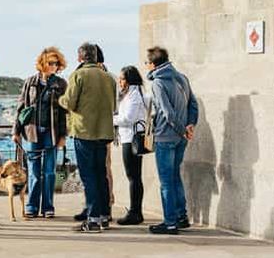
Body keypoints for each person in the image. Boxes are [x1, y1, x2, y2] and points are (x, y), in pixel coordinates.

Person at [59, 42, 117, 233]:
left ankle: (92, 219)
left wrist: (59, 99)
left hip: (84, 131)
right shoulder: (109, 78)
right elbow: (113, 105)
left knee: (89, 176)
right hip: (104, 132)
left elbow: (69, 102)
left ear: (80, 57)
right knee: (101, 174)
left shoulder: (78, 75)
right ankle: (103, 216)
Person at [145, 46, 198, 235]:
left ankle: (169, 222)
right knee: (175, 177)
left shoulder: (158, 83)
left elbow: (167, 112)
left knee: (166, 181)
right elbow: (193, 104)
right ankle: (181, 216)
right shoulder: (182, 78)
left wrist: (182, 129)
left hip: (166, 136)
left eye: (146, 63)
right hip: (181, 138)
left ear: (153, 64)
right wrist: (190, 125)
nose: (146, 66)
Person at [12, 47, 68, 218]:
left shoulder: (60, 84)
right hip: (31, 132)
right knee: (34, 172)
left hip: (51, 133)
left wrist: (63, 136)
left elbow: (64, 113)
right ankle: (32, 206)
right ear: (42, 63)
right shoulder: (29, 82)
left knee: (50, 172)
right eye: (51, 63)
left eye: (56, 63)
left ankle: (48, 207)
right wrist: (16, 131)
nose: (54, 66)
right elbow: (21, 108)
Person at [113, 66, 148, 225]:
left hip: (131, 138)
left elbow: (129, 118)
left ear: (129, 80)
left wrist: (111, 119)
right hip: (130, 137)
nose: (119, 81)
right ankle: (135, 211)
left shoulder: (133, 95)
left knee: (133, 176)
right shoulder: (134, 93)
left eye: (122, 78)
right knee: (134, 176)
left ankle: (135, 212)